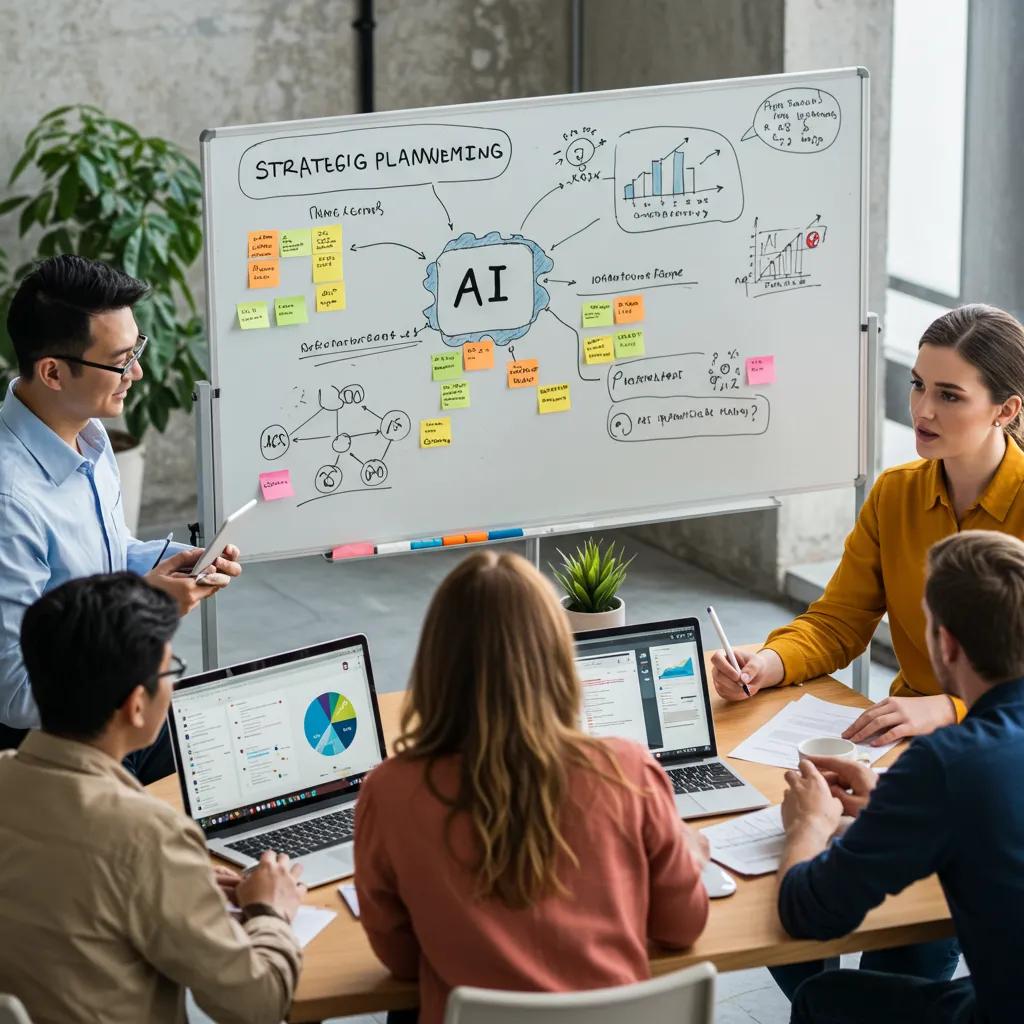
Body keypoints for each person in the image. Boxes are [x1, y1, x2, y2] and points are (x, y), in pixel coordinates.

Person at [712, 305, 1024, 995]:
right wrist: (768, 662)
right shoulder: (896, 494)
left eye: (949, 394)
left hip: (982, 750)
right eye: (917, 385)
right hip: (896, 751)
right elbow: (838, 621)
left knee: (895, 959)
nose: (922, 408)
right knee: (794, 902)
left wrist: (941, 708)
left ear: (1006, 411)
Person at [354, 551, 710, 1024]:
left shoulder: (390, 792)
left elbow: (400, 960)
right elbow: (681, 928)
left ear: (435, 663)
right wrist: (687, 857)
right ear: (560, 657)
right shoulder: (627, 770)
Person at [0, 572, 305, 1024]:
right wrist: (270, 911)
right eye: (170, 669)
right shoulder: (150, 836)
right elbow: (257, 1004)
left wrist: (178, 877)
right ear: (136, 705)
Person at [0, 254, 241, 779]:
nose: (136, 372)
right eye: (120, 359)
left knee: (237, 735)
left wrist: (169, 562)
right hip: (58, 748)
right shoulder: (9, 501)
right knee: (224, 758)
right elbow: (16, 692)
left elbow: (104, 557)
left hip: (110, 712)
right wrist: (149, 606)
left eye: (137, 350)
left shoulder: (85, 433)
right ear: (53, 372)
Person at [776, 530, 1024, 1023]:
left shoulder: (946, 763)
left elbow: (810, 912)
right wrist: (894, 812)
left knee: (823, 996)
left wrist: (809, 822)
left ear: (945, 644)